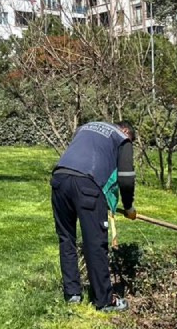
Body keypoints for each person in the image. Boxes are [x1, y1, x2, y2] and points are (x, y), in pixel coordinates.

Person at [51, 121, 137, 312]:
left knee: (67, 238)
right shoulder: (122, 138)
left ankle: (72, 294)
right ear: (126, 131)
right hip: (88, 185)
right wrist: (129, 206)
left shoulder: (85, 127)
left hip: (59, 179)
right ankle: (105, 301)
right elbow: (126, 176)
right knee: (95, 243)